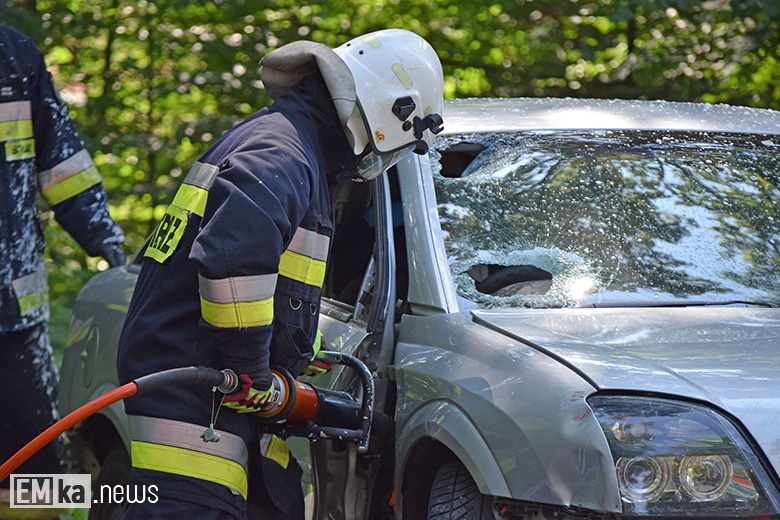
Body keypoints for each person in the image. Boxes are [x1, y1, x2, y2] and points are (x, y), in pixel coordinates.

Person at [116, 28, 444, 519]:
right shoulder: (283, 152)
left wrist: (287, 361)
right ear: (390, 110)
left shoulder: (292, 144)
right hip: (196, 420)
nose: (384, 160)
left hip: (214, 407)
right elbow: (233, 257)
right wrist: (252, 373)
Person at [0, 23, 126, 517]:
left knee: (42, 479)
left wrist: (105, 239)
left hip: (15, 321)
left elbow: (63, 164)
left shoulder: (13, 56)